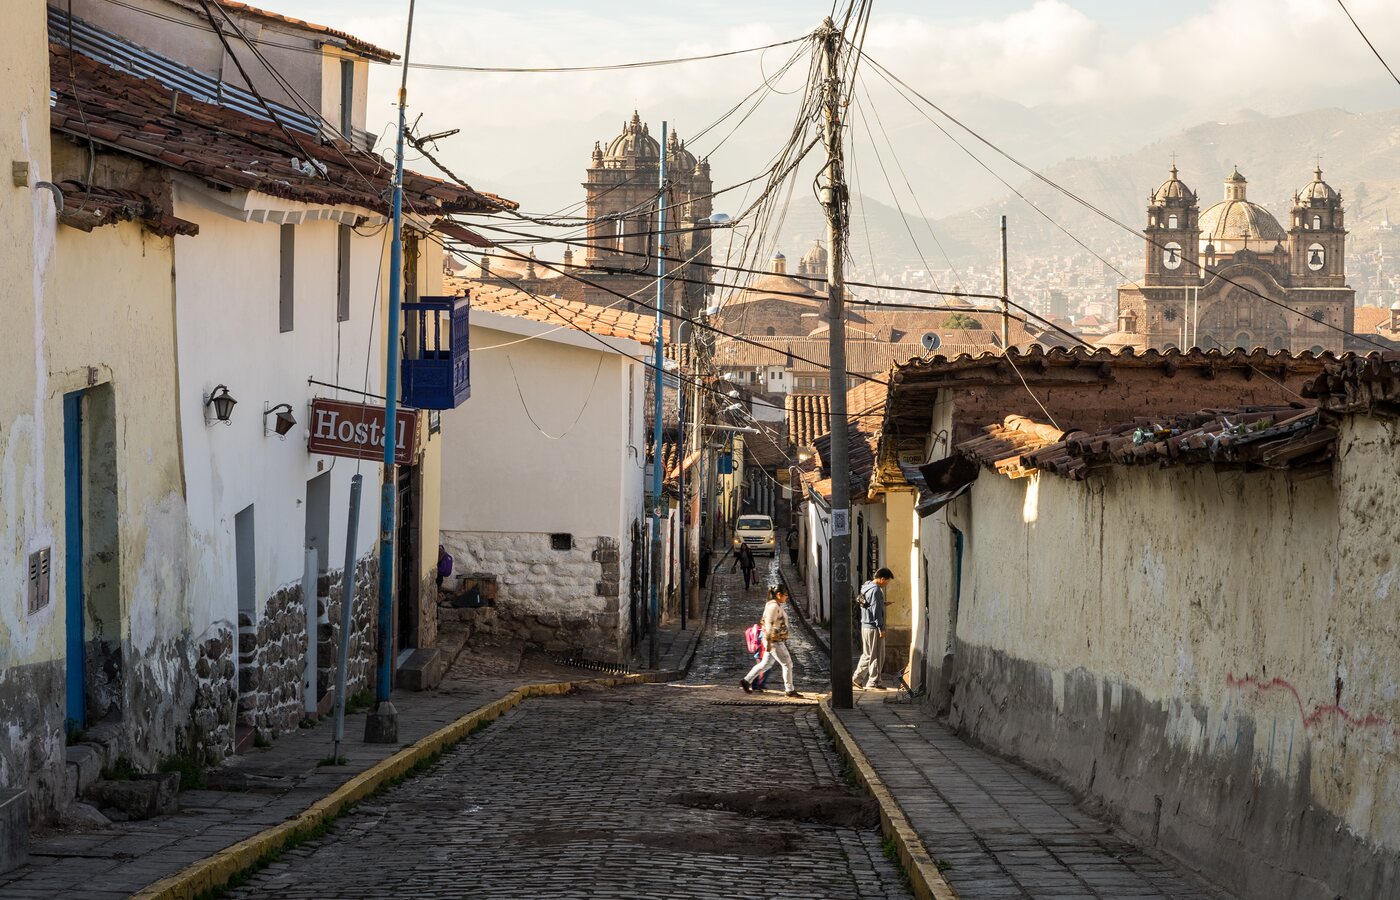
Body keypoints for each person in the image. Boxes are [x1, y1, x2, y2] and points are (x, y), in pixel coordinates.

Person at [741, 586, 798, 697]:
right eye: (785, 595)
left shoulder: (775, 605)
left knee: (766, 664)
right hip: (774, 640)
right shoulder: (773, 606)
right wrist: (768, 641)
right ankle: (789, 690)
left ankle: (746, 681)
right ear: (778, 594)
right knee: (787, 664)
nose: (787, 597)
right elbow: (768, 624)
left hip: (773, 640)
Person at [853, 567, 893, 691]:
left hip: (865, 625)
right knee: (877, 655)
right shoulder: (876, 590)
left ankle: (857, 678)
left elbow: (868, 604)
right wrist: (881, 628)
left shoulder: (866, 586)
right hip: (874, 627)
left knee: (867, 654)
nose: (887, 584)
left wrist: (882, 603)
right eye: (887, 581)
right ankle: (874, 681)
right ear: (882, 579)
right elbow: (876, 611)